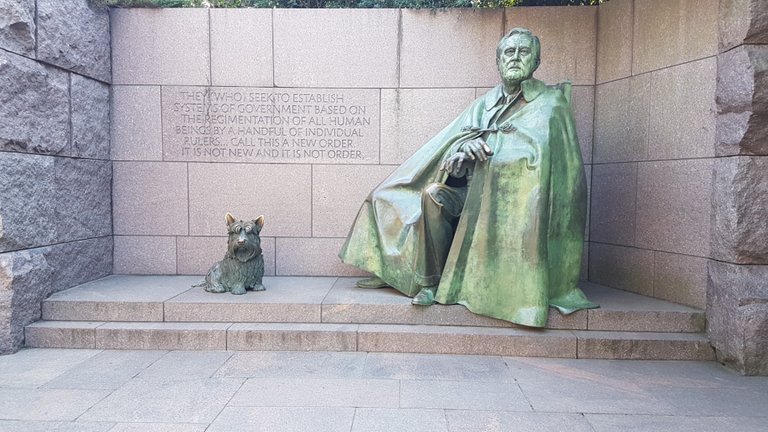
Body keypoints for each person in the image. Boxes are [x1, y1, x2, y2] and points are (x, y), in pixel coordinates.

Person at [339, 28, 597, 327]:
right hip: (468, 193)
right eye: (507, 53)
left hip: (511, 205)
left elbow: (555, 170)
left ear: (536, 60)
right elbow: (452, 149)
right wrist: (461, 155)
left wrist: (495, 157)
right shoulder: (484, 104)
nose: (514, 58)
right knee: (429, 195)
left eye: (522, 52)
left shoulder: (551, 104)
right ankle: (428, 282)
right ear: (498, 62)